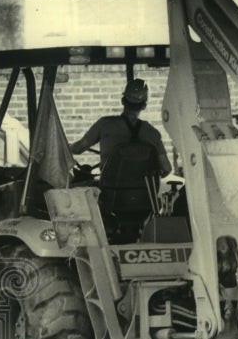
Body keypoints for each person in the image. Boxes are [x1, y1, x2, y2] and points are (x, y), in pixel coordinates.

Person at [68, 78, 172, 242]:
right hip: (143, 199)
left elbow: (79, 148)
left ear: (123, 100)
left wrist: (62, 146)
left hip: (110, 196)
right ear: (144, 105)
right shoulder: (152, 133)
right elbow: (167, 169)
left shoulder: (104, 125)